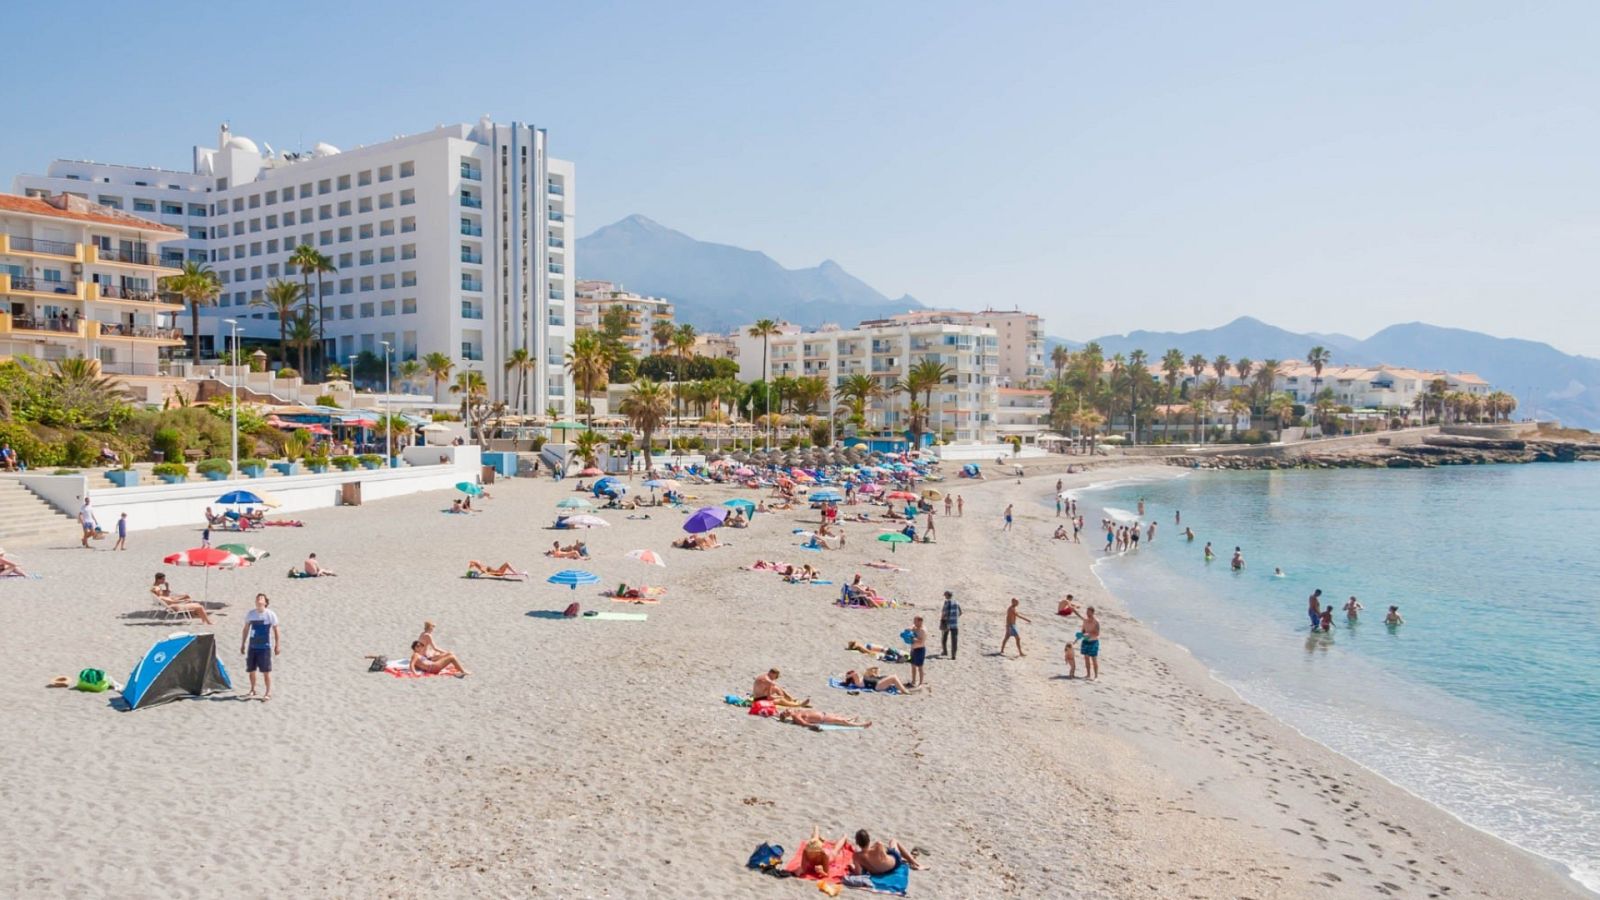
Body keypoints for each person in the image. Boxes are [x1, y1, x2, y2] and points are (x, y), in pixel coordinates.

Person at [240, 593, 279, 700]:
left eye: (261, 598)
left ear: (265, 602)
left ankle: (268, 692)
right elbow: (246, 629)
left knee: (266, 671)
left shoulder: (270, 614)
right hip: (252, 646)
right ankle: (252, 689)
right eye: (257, 598)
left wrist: (277, 645)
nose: (259, 600)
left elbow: (276, 630)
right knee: (251, 670)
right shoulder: (251, 614)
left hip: (265, 647)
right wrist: (243, 643)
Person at [849, 830, 922, 876]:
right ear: (869, 839)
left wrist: (852, 867)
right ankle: (915, 862)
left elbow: (858, 873)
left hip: (879, 872)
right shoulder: (878, 845)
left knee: (884, 854)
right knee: (893, 841)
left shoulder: (856, 856)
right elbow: (885, 854)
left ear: (857, 843)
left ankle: (906, 859)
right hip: (894, 864)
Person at [840, 666, 915, 693]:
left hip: (878, 682)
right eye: (852, 674)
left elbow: (868, 672)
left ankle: (905, 687)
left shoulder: (860, 679)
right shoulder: (857, 682)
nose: (855, 674)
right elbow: (855, 673)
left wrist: (873, 673)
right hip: (877, 686)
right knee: (893, 677)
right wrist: (848, 675)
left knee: (890, 677)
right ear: (852, 677)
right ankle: (905, 691)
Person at [777, 708, 871, 729]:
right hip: (822, 719)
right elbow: (803, 723)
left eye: (785, 710)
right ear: (787, 716)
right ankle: (862, 725)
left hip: (824, 714)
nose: (786, 711)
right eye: (785, 713)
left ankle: (851, 719)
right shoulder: (796, 716)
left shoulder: (797, 711)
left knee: (838, 717)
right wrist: (814, 726)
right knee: (842, 721)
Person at [1080, 606, 1101, 680]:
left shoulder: (1096, 622)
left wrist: (1089, 634)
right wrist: (1081, 634)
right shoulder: (1085, 620)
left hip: (1093, 641)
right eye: (1087, 611)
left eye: (1089, 612)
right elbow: (1083, 630)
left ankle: (1096, 676)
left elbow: (1097, 633)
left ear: (1092, 612)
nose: (1087, 613)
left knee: (1094, 659)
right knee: (1086, 658)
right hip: (1085, 641)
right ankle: (1088, 674)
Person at [938, 591, 960, 659]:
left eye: (945, 595)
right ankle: (953, 655)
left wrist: (942, 620)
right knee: (954, 640)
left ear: (947, 595)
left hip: (947, 623)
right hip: (955, 624)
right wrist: (954, 618)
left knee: (944, 638)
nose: (945, 596)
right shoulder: (956, 602)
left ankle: (945, 651)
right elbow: (960, 612)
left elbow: (944, 612)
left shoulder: (947, 602)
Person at [909, 616, 927, 686]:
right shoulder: (915, 627)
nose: (914, 623)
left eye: (915, 621)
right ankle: (913, 681)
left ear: (920, 621)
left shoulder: (923, 630)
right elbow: (911, 627)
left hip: (920, 650)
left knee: (920, 667)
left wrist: (913, 638)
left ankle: (921, 683)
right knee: (913, 666)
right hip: (913, 649)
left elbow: (921, 641)